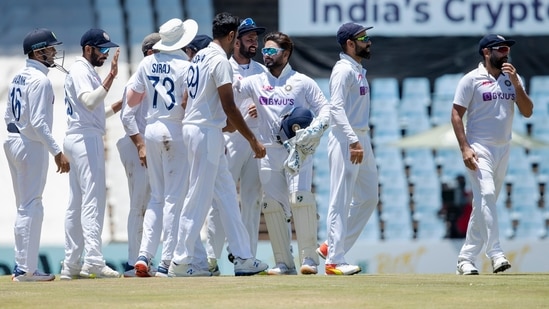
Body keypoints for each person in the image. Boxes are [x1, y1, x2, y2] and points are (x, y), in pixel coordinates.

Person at [169, 12, 268, 277]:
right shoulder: (219, 60)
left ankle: (244, 258)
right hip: (205, 132)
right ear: (233, 36)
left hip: (201, 129)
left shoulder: (199, 56)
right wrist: (252, 139)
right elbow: (229, 105)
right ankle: (179, 261)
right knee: (198, 197)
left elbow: (193, 98)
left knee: (226, 197)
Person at [235, 31, 330, 275]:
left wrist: (312, 132)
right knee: (273, 206)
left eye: (270, 51)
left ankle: (309, 259)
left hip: (298, 150)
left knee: (300, 199)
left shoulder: (303, 82)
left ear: (285, 54)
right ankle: (284, 263)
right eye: (264, 51)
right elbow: (229, 93)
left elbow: (326, 110)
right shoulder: (255, 81)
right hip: (267, 151)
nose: (265, 55)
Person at [451, 34, 533, 275]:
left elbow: (527, 111)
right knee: (486, 194)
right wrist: (465, 147)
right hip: (479, 148)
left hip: (503, 148)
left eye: (507, 48)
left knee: (485, 202)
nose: (506, 52)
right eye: (501, 49)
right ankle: (495, 253)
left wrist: (516, 83)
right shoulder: (471, 79)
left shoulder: (513, 79)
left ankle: (465, 258)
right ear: (487, 52)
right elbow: (456, 114)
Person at [124, 18, 198, 278]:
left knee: (156, 197)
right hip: (176, 129)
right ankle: (166, 261)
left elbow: (130, 103)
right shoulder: (185, 65)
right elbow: (189, 102)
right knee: (174, 199)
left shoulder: (147, 62)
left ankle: (144, 256)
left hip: (152, 130)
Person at [4, 28, 70, 282]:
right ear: (38, 51)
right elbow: (40, 124)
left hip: (13, 140)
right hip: (30, 144)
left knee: (24, 206)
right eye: (50, 49)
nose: (54, 52)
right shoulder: (40, 81)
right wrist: (57, 152)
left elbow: (10, 115)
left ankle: (22, 266)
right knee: (33, 206)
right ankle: (26, 270)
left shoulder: (19, 75)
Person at [204, 17, 267, 274]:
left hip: (255, 143)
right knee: (219, 202)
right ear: (235, 39)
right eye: (249, 38)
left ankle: (247, 258)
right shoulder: (223, 65)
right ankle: (210, 260)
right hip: (229, 140)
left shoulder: (262, 71)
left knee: (252, 201)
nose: (255, 42)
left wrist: (259, 107)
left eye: (256, 38)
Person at [60, 28, 122, 279]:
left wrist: (117, 106)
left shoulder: (82, 71)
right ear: (88, 49)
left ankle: (72, 264)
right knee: (92, 200)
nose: (105, 55)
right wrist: (112, 77)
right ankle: (93, 260)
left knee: (76, 203)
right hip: (86, 141)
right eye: (102, 50)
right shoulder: (81, 70)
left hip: (77, 137)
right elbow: (88, 101)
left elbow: (92, 111)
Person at [116, 32, 161, 277]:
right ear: (150, 52)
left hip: (146, 146)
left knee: (150, 204)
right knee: (139, 205)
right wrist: (141, 145)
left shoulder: (150, 77)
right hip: (136, 147)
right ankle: (134, 262)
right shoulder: (139, 77)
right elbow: (127, 117)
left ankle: (143, 259)